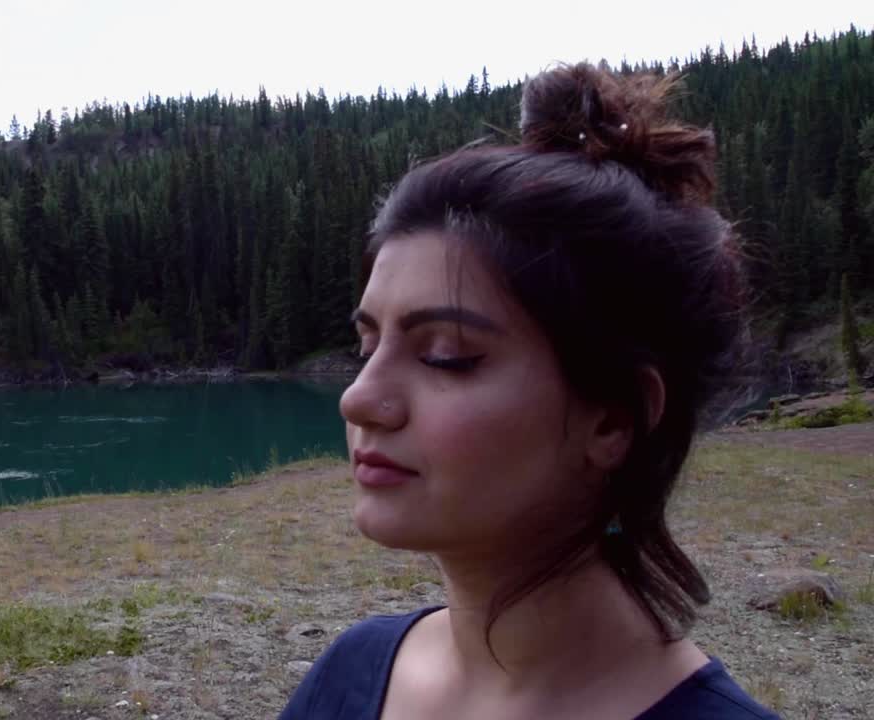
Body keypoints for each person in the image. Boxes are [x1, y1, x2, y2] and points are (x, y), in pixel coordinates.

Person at [280, 63, 779, 720]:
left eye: (445, 356)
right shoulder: (352, 671)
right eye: (367, 347)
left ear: (613, 419)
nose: (358, 399)